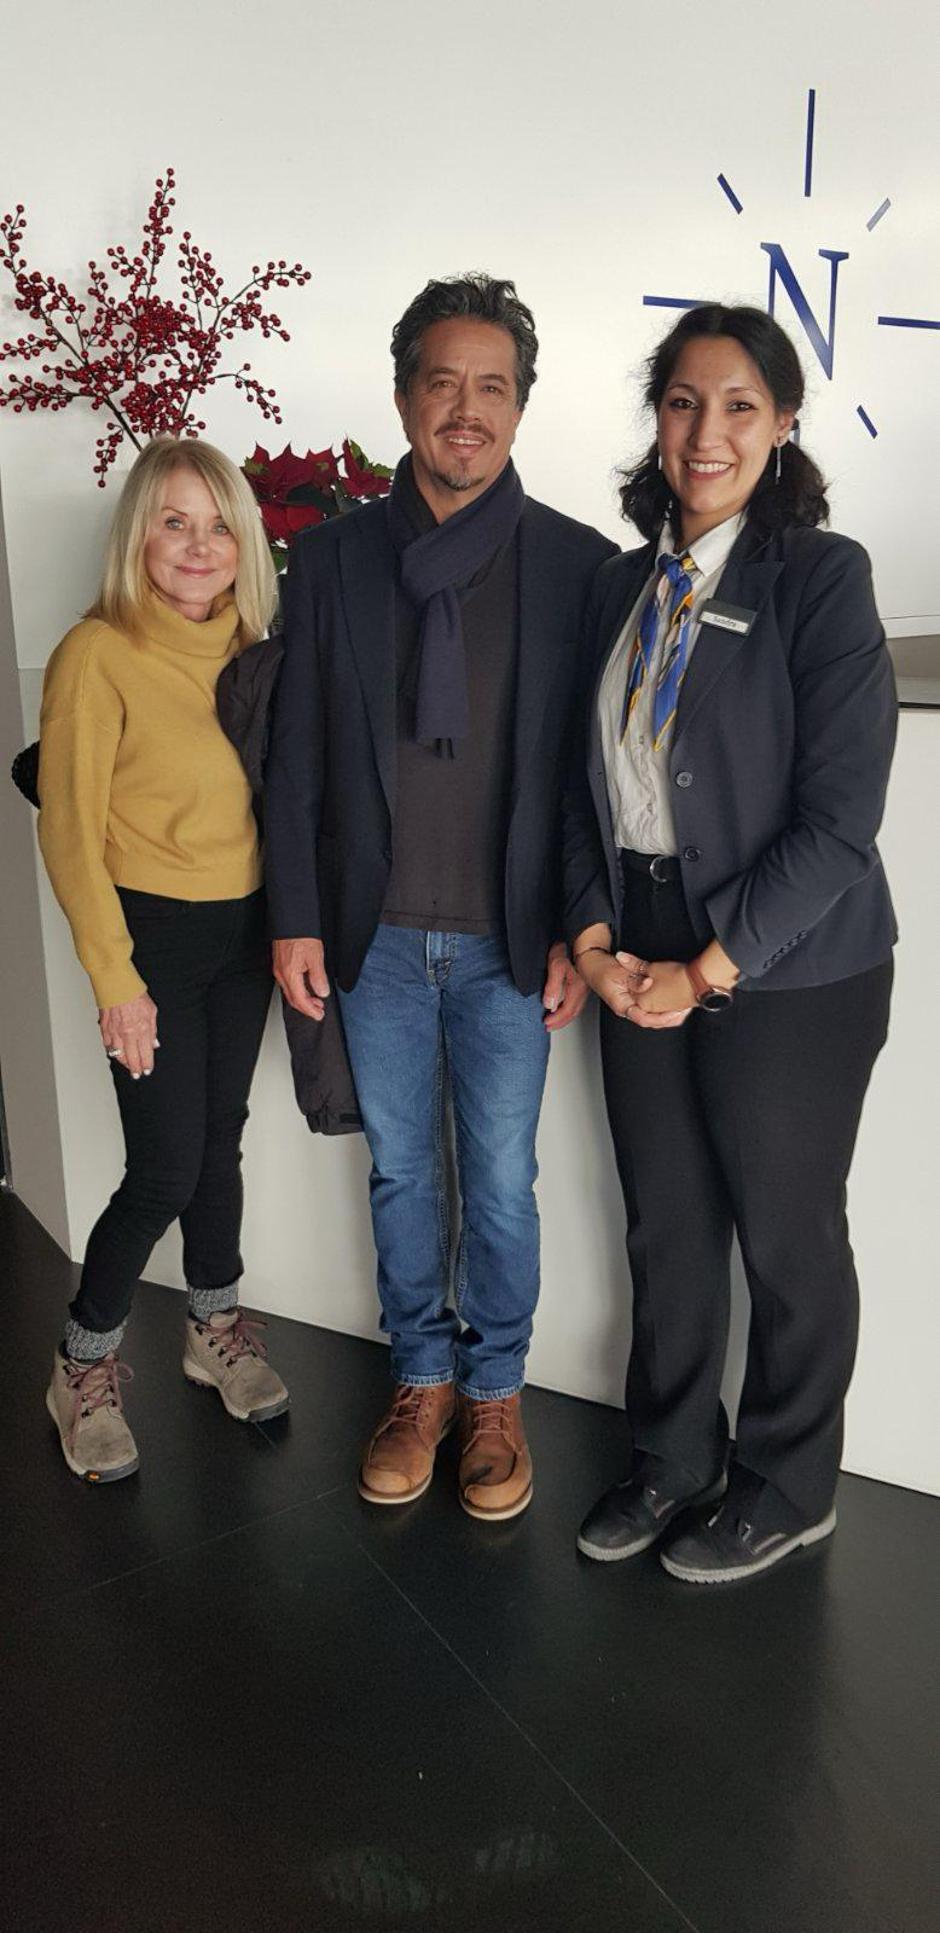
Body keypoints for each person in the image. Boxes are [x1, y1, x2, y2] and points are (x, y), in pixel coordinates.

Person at [266, 274, 616, 1521]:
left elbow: (584, 775)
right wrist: (294, 914)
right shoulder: (330, 558)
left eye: (492, 387)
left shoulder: (576, 565)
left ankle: (495, 1391)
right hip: (370, 934)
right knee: (403, 1176)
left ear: (520, 405)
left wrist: (580, 924)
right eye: (442, 382)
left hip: (509, 942)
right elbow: (294, 755)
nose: (466, 408)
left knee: (503, 1182)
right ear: (403, 393)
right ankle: (419, 1380)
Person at [564, 304, 897, 1583]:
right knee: (666, 1220)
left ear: (783, 424)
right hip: (634, 940)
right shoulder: (616, 586)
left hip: (790, 960)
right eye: (684, 402)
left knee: (784, 1225)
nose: (707, 432)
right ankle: (671, 1456)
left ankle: (788, 1482)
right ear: (657, 418)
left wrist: (707, 967)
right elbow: (575, 788)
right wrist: (593, 938)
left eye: (740, 405)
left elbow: (840, 822)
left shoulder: (820, 577)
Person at [40, 437, 290, 1482]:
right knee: (163, 1169)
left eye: (219, 524)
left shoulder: (260, 649)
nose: (198, 545)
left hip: (245, 931)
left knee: (219, 1144)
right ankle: (80, 1365)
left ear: (245, 542)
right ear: (137, 536)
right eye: (174, 522)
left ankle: (211, 1328)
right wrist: (116, 980)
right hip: (151, 937)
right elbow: (67, 829)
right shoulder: (96, 652)